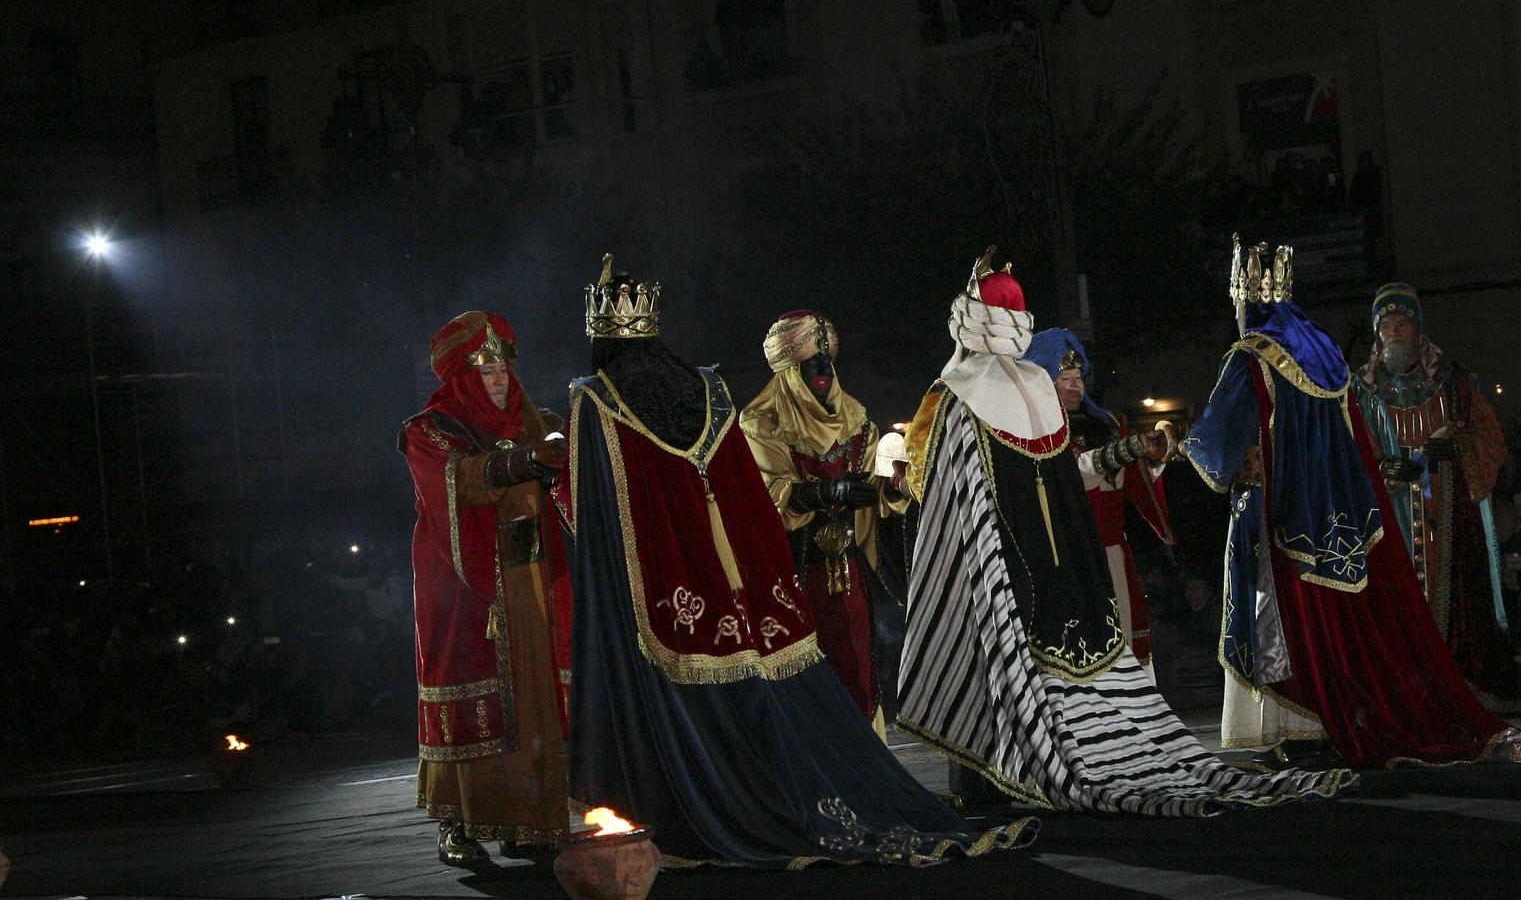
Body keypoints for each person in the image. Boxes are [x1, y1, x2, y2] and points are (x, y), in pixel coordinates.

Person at [551, 256, 1032, 867]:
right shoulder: (719, 396)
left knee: (856, 668)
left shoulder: (596, 400)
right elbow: (756, 499)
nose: (824, 377)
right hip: (759, 584)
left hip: (669, 586)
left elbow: (592, 511)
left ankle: (695, 804)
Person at [897, 248, 1353, 813]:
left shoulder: (955, 398)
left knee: (991, 656)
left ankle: (988, 771)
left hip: (995, 558)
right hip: (1063, 566)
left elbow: (936, 492)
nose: (1068, 378)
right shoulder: (1036, 395)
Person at [1183, 238, 1521, 766]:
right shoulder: (1323, 355)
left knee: (1281, 622)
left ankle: (1293, 724)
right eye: (1385, 324)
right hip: (1343, 523)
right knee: (1329, 624)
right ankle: (1330, 717)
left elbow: (1215, 447)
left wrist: (1190, 451)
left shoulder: (1251, 356)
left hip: (1283, 515)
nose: (1393, 332)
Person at [399, 311, 574, 866]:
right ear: (461, 379)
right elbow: (457, 483)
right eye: (487, 371)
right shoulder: (430, 432)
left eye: (504, 369)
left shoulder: (535, 421)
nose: (500, 380)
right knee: (471, 689)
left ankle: (529, 822)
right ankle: (458, 822)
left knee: (531, 697)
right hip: (464, 586)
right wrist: (521, 461)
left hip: (530, 578)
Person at [1355, 282, 1521, 702]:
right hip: (1388, 512)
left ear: (1417, 329)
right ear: (1377, 333)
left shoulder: (1454, 382)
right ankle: (1403, 692)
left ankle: (1461, 685)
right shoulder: (1360, 390)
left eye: (1402, 323)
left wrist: (1457, 450)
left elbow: (1490, 441)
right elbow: (1347, 450)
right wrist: (1382, 468)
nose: (1394, 331)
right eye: (1386, 324)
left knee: (1457, 596)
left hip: (1447, 509)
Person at [740, 311, 905, 728]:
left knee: (857, 659)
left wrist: (892, 488)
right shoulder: (761, 423)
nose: (823, 370)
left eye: (827, 359)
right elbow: (759, 497)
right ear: (789, 370)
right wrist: (820, 492)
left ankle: (868, 763)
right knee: (807, 668)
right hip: (790, 571)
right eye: (811, 362)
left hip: (847, 569)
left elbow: (874, 486)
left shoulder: (855, 417)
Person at [1023, 328, 1177, 670]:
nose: (1075, 385)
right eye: (1065, 377)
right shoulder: (1037, 434)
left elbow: (1133, 481)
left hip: (1113, 551)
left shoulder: (1107, 423)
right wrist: (1130, 448)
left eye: (1078, 377)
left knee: (1125, 634)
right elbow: (1072, 473)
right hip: (1070, 553)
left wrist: (1154, 458)